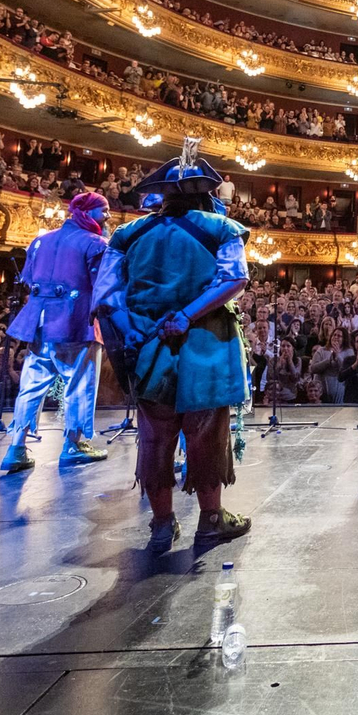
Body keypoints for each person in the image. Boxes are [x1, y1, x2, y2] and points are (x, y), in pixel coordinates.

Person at [93, 139, 251, 554]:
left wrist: (131, 330)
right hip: (206, 345)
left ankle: (162, 525)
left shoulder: (127, 233)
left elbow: (106, 296)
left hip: (148, 345)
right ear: (205, 192)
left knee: (156, 435)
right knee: (206, 432)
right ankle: (211, 520)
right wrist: (186, 316)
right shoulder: (222, 228)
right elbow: (235, 279)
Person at [0, 192, 111, 474]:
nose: (108, 217)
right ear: (87, 213)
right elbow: (103, 286)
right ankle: (73, 445)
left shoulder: (40, 241)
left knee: (31, 385)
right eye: (104, 211)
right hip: (76, 323)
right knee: (79, 385)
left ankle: (16, 448)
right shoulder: (95, 243)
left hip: (38, 323)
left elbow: (28, 279)